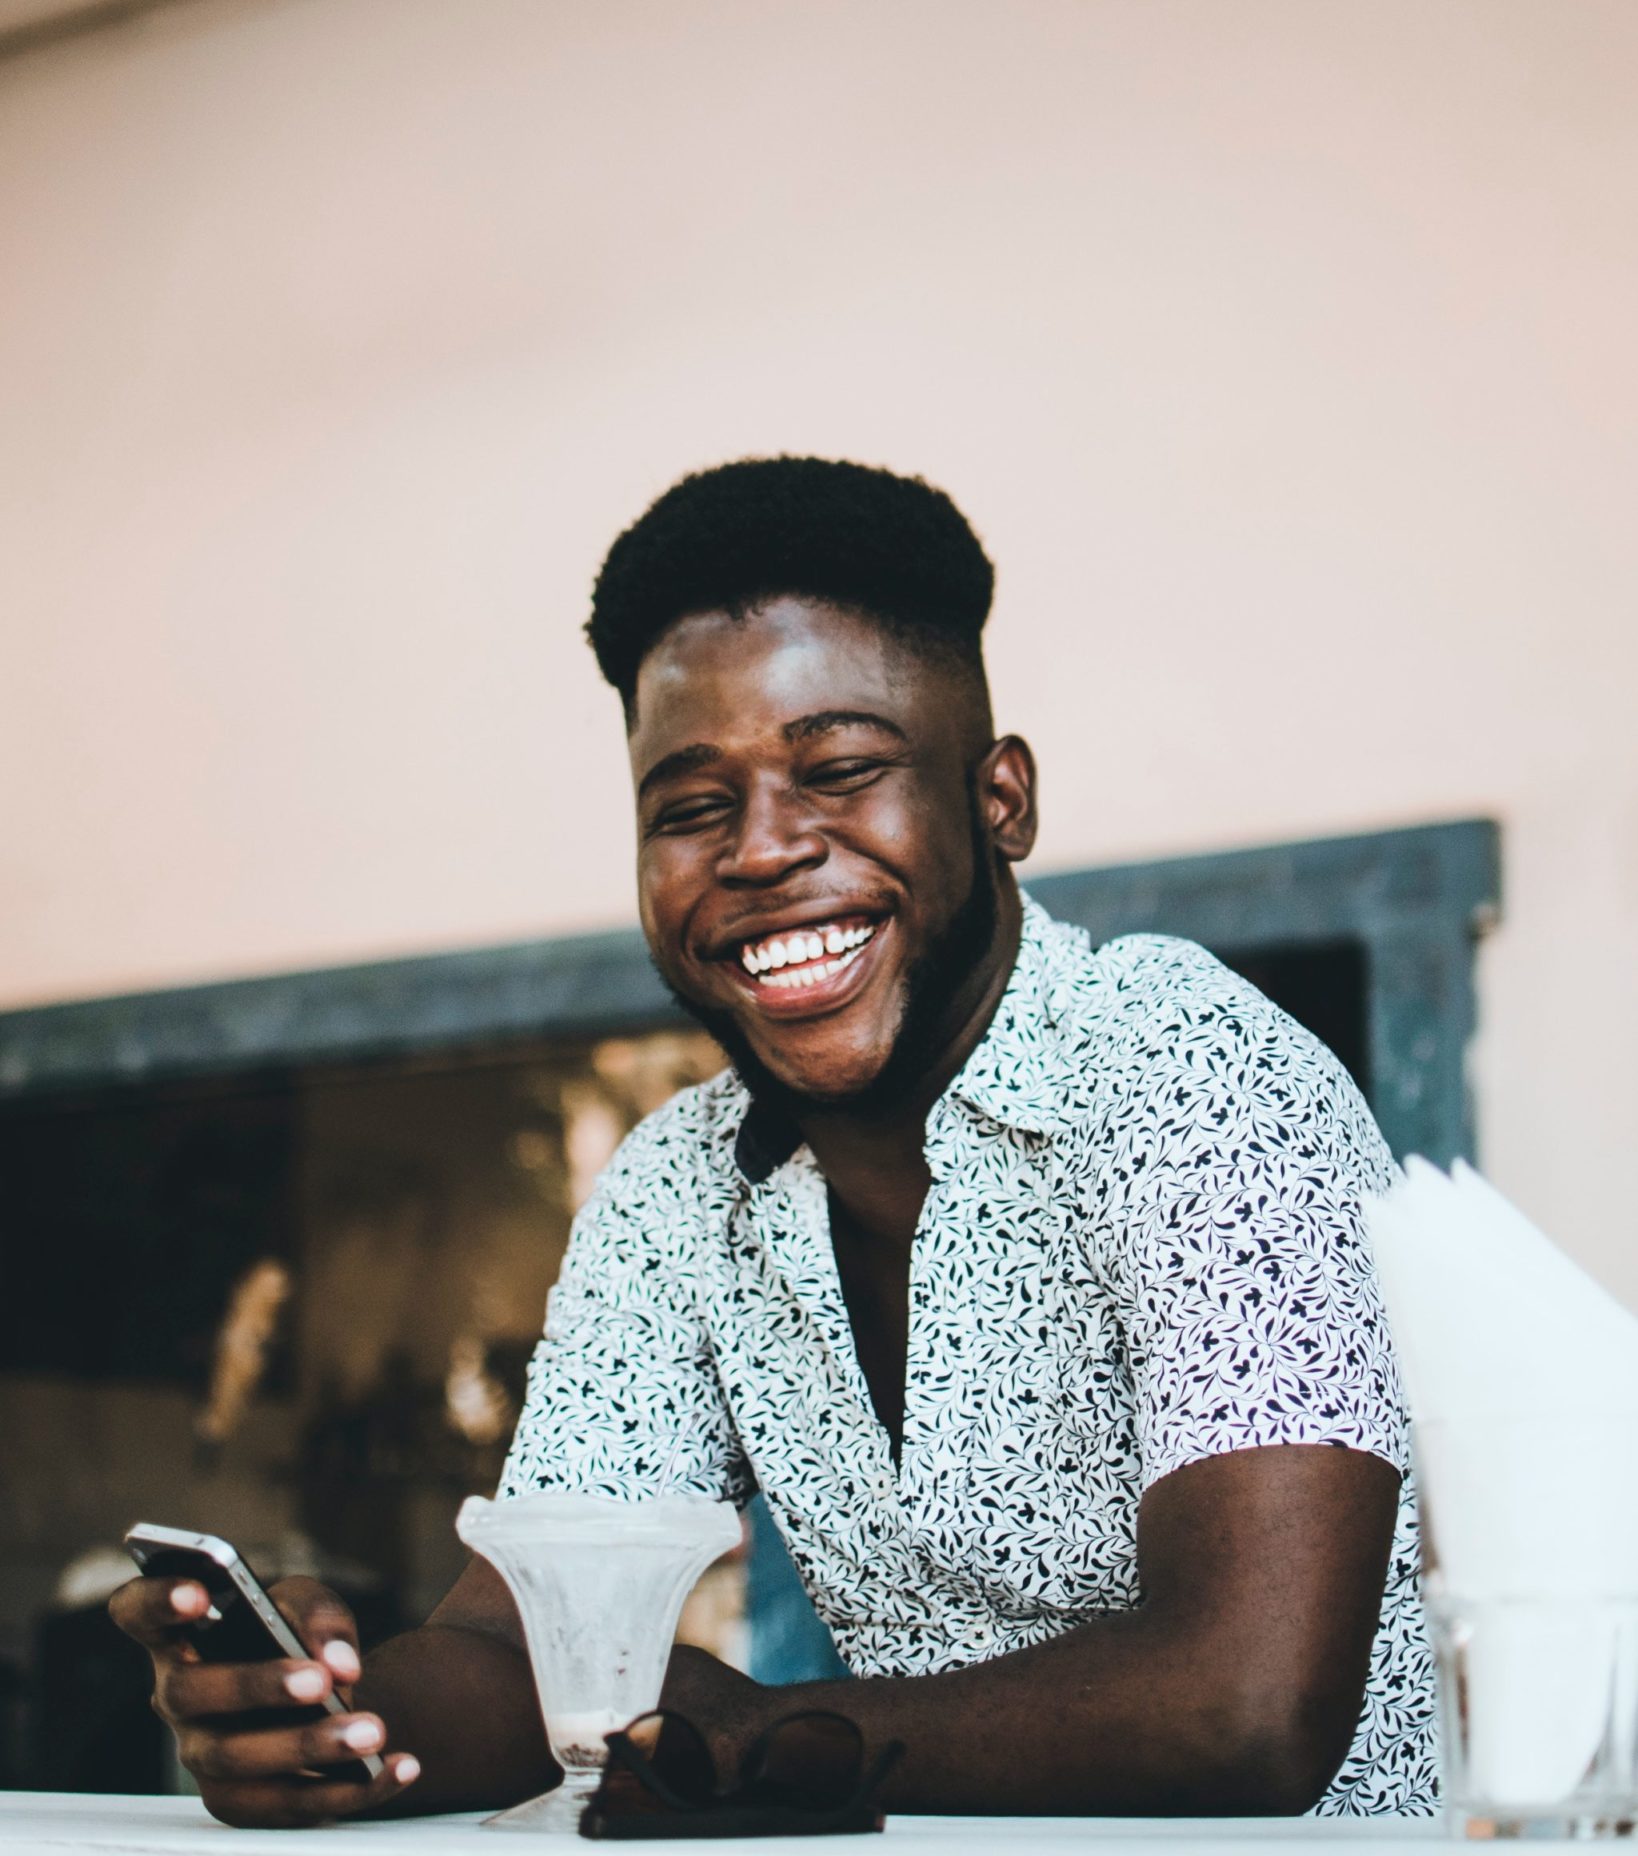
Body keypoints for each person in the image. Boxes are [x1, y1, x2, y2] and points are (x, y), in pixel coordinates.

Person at [112, 457, 1436, 1823]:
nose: (757, 850)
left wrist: (753, 1727)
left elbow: (1244, 1706)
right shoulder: (672, 1192)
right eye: (690, 807)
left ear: (999, 803)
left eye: (841, 770)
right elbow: (517, 1653)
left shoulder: (1189, 1067)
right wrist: (333, 1715)